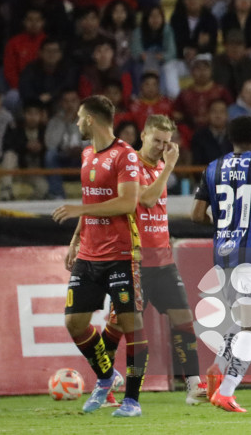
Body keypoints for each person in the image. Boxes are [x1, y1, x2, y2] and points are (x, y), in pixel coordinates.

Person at [51, 95, 148, 417]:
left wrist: (80, 210)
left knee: (131, 325)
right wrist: (75, 239)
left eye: (80, 117)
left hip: (121, 253)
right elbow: (91, 198)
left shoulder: (126, 155)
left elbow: (127, 203)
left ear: (91, 119)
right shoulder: (86, 154)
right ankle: (107, 377)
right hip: (89, 253)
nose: (77, 122)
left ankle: (132, 401)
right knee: (74, 322)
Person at [101, 115, 207, 406]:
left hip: (162, 262)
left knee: (183, 318)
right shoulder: (129, 165)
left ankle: (194, 386)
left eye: (166, 142)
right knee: (118, 327)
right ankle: (103, 384)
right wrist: (170, 166)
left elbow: (155, 210)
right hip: (133, 263)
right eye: (156, 140)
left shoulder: (159, 166)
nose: (161, 147)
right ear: (143, 136)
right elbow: (146, 200)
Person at [191, 115, 251, 412]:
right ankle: (227, 388)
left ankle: (218, 367)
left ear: (230, 139)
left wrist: (225, 224)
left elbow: (196, 215)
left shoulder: (212, 167)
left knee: (246, 318)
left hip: (223, 255)